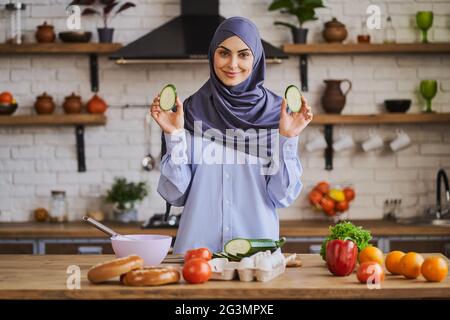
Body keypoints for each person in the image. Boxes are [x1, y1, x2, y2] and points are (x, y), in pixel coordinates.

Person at [150, 17, 313, 254]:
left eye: (244, 55)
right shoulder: (190, 111)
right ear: (212, 56)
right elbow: (175, 195)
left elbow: (282, 197)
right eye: (224, 53)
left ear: (256, 58)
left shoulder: (278, 116)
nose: (233, 64)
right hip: (196, 258)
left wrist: (287, 138)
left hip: (257, 261)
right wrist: (173, 134)